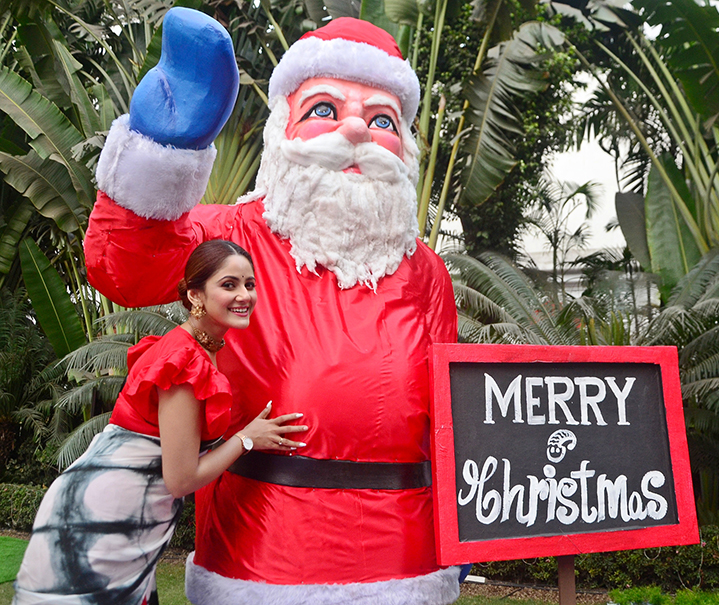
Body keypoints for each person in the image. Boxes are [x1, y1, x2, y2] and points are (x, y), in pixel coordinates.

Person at [83, 8, 462, 604]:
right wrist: (163, 150)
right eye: (324, 109)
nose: (356, 129)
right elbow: (127, 266)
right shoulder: (235, 236)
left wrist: (465, 527)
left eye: (381, 119)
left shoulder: (427, 273)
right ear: (284, 127)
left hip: (406, 553)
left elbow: (451, 413)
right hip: (262, 549)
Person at [13, 239, 308, 605]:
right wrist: (246, 439)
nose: (244, 295)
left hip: (125, 512)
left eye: (249, 284)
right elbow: (181, 479)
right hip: (102, 517)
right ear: (196, 294)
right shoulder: (183, 362)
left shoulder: (200, 349)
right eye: (228, 284)